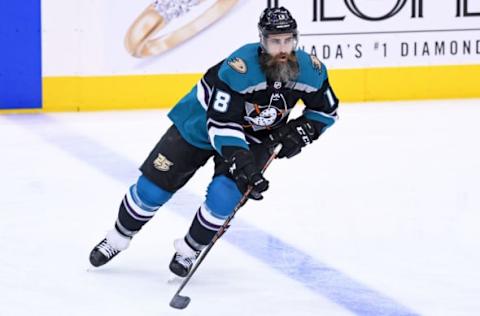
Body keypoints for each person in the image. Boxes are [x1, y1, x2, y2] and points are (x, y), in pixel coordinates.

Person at [89, 6, 339, 278]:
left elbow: (325, 111)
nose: (282, 48)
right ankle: (116, 238)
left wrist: (300, 133)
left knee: (224, 196)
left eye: (288, 40)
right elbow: (221, 124)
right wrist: (242, 162)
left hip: (254, 137)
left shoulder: (311, 71)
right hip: (199, 126)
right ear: (262, 40)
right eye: (274, 41)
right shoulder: (240, 67)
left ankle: (189, 249)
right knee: (152, 190)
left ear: (296, 39)